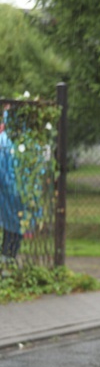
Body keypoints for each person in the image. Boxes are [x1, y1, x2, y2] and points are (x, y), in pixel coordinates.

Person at [0, 109, 23, 261]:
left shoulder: (8, 140)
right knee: (14, 226)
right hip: (12, 190)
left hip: (11, 190)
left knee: (13, 226)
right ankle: (8, 256)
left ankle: (7, 257)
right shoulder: (9, 141)